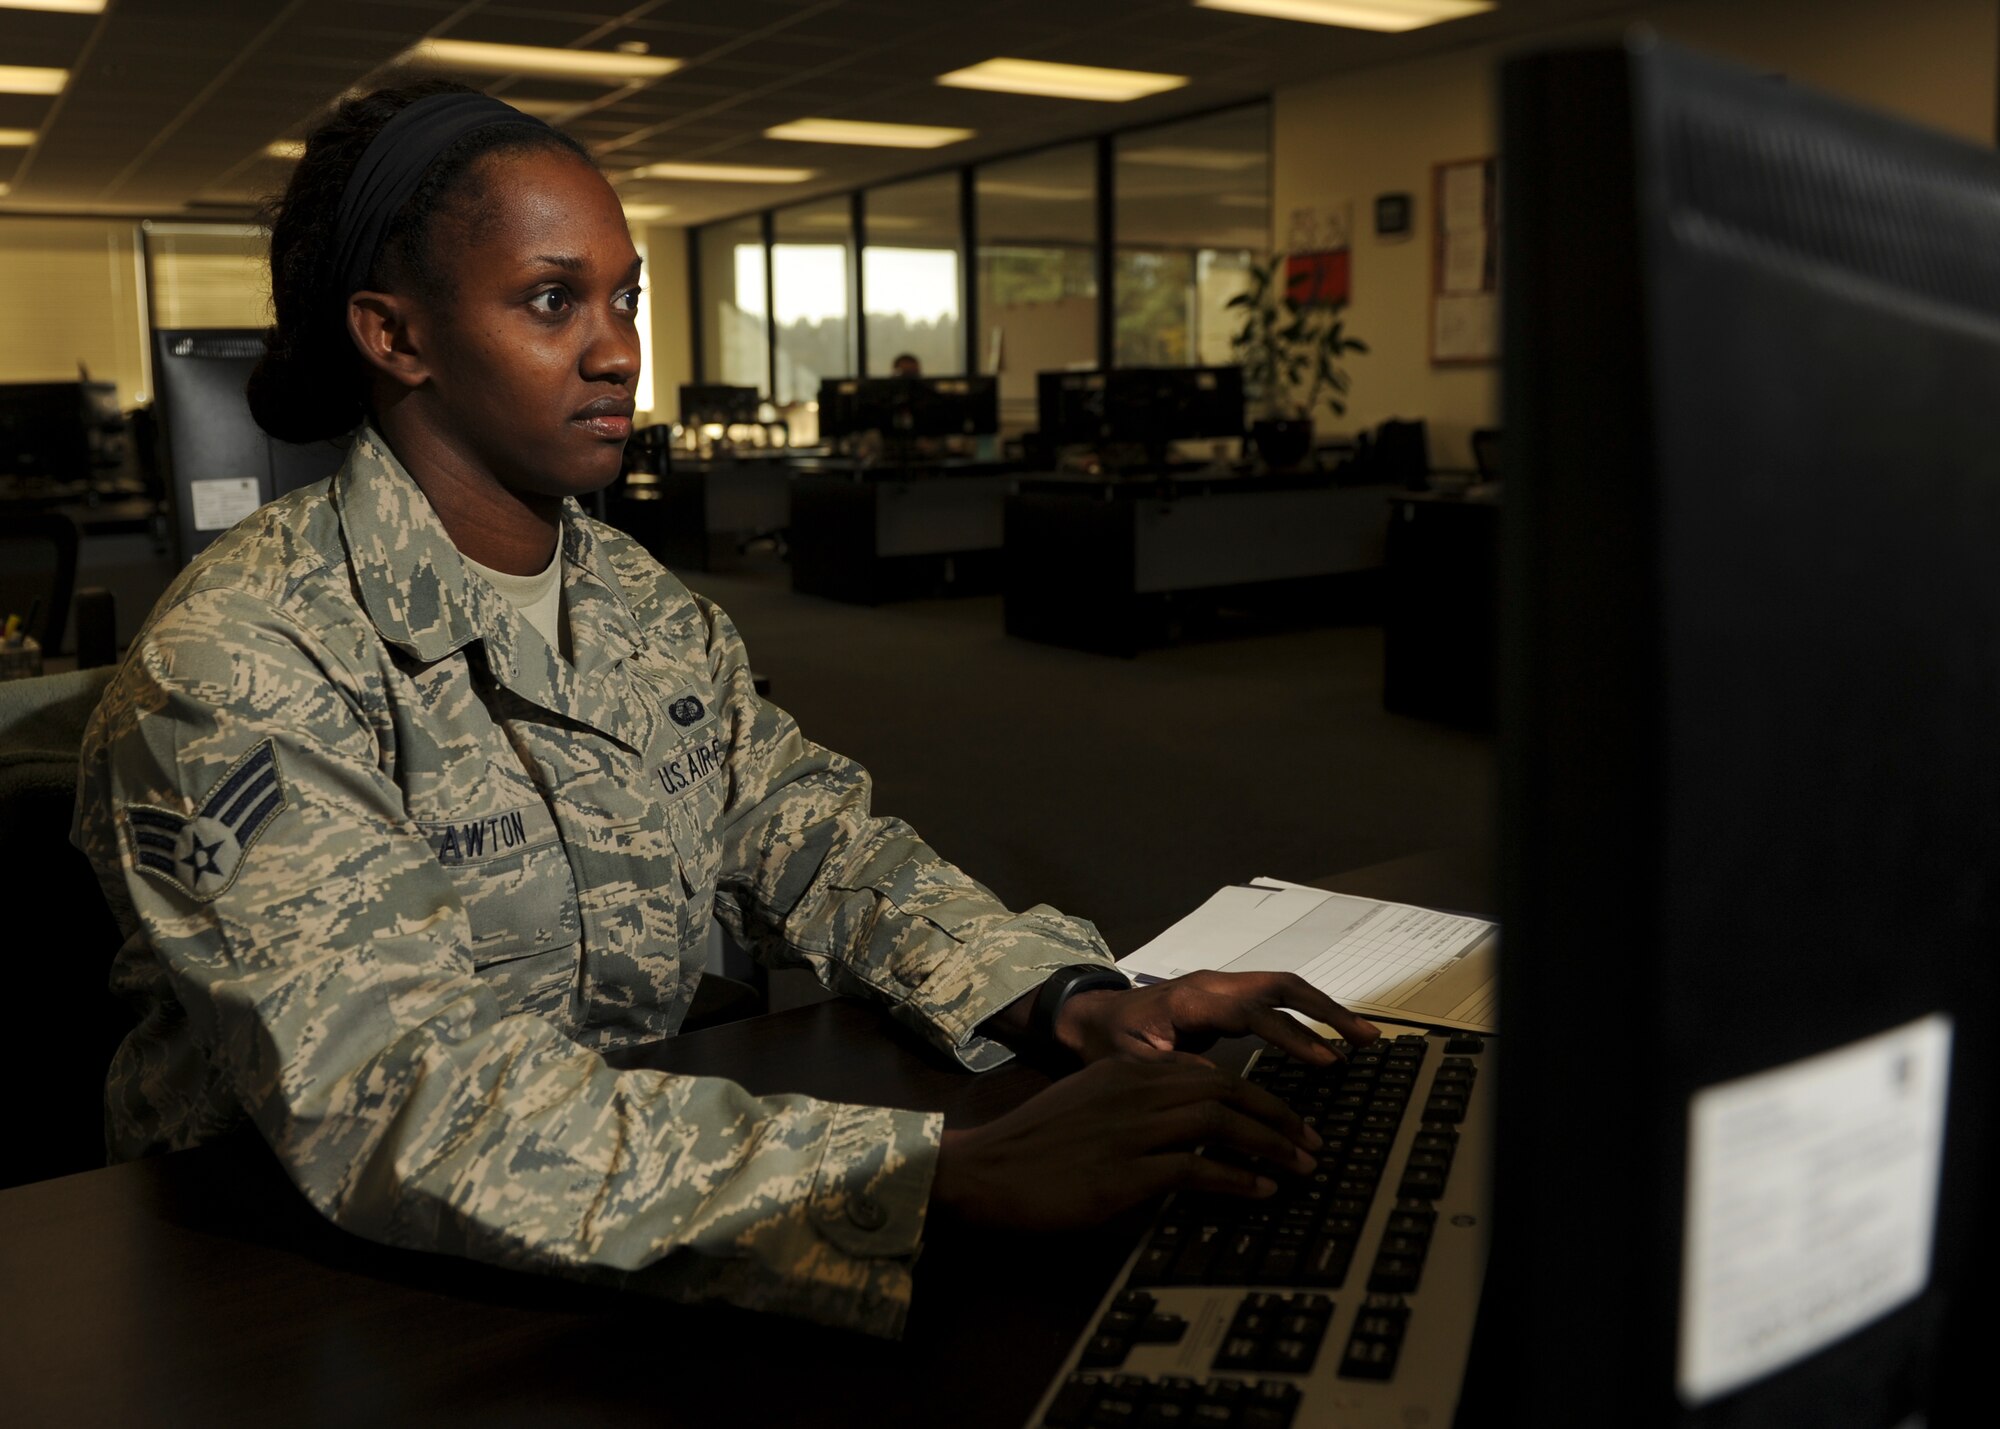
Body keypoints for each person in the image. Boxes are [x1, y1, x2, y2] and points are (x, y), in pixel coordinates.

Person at [74, 82, 1377, 1340]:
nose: (618, 348)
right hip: (310, 1287)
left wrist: (1062, 995)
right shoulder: (241, 660)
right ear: (395, 335)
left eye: (624, 296)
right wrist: (927, 1175)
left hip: (631, 1204)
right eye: (551, 301)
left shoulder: (635, 596)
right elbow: (412, 1102)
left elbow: (812, 832)